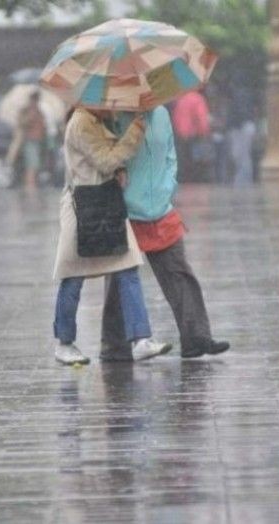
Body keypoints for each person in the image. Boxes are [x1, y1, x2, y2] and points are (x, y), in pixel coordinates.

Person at [101, 106, 231, 360]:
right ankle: (114, 346)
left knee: (179, 272)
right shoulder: (113, 116)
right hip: (125, 209)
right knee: (119, 282)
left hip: (161, 208)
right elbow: (107, 159)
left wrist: (169, 186)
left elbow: (170, 154)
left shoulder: (160, 113)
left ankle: (196, 338)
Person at [52, 107, 172, 365]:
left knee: (128, 267)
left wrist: (119, 169)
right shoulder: (82, 122)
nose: (112, 105)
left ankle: (140, 339)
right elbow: (105, 161)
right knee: (72, 276)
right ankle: (64, 343)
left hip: (106, 203)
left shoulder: (99, 120)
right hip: (83, 208)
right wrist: (135, 132)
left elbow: (108, 161)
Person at [171, 90, 210, 181]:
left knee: (183, 161)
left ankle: (184, 180)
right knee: (196, 162)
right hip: (193, 135)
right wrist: (204, 133)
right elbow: (201, 118)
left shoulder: (180, 99)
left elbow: (175, 118)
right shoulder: (197, 99)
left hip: (180, 135)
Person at [227, 86, 257, 187]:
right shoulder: (248, 96)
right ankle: (244, 180)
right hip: (244, 126)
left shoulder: (237, 97)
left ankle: (242, 181)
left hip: (240, 128)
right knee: (244, 156)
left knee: (240, 156)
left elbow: (238, 113)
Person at [18, 92, 47, 190]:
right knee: (31, 165)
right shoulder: (26, 111)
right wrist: (31, 116)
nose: (35, 102)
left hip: (39, 140)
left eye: (37, 100)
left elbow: (43, 125)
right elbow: (21, 123)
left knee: (36, 165)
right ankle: (30, 186)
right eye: (34, 99)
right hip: (30, 140)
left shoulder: (39, 111)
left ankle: (32, 184)